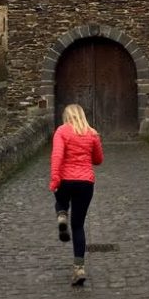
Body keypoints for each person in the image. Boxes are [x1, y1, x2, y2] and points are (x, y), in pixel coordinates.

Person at [50, 103, 104, 286]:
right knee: (79, 226)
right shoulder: (92, 133)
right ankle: (79, 268)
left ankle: (61, 215)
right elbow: (98, 160)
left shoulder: (62, 131)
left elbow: (57, 156)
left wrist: (55, 179)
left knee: (60, 201)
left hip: (66, 180)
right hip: (85, 183)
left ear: (67, 116)